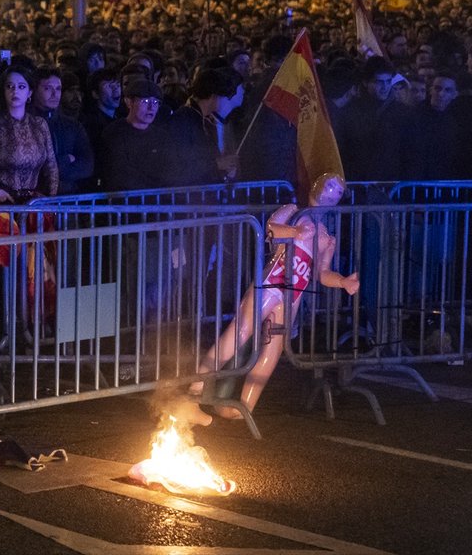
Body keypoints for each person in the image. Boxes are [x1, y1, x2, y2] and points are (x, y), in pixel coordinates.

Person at [191, 173, 359, 419]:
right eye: (329, 187)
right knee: (239, 333)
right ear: (316, 186)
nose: (331, 194)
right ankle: (193, 394)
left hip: (291, 298)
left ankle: (244, 408)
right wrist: (294, 231)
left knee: (271, 354)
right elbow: (270, 229)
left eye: (337, 192)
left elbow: (322, 273)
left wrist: (343, 281)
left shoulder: (326, 238)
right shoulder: (292, 211)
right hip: (270, 284)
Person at [0, 66, 58, 203]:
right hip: (2, 205)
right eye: (10, 86)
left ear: (29, 93)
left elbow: (51, 166)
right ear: (3, 91)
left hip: (34, 206)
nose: (15, 91)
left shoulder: (40, 124)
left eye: (21, 87)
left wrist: (50, 201)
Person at [97, 77, 172, 191]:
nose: (151, 107)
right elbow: (118, 174)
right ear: (129, 102)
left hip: (155, 203)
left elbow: (169, 171)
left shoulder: (161, 137)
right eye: (145, 101)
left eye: (155, 102)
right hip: (122, 203)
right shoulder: (114, 133)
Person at [30, 67, 93, 195]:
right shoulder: (26, 124)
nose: (54, 94)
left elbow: (87, 166)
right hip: (35, 201)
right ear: (34, 90)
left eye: (58, 89)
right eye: (48, 88)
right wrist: (66, 159)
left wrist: (54, 167)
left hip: (67, 200)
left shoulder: (72, 126)